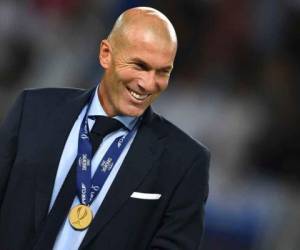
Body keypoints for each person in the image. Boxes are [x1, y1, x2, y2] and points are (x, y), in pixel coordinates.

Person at [0, 6, 210, 250]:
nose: (148, 83)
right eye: (139, 66)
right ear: (106, 54)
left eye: (163, 71)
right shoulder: (34, 111)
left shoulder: (185, 161)